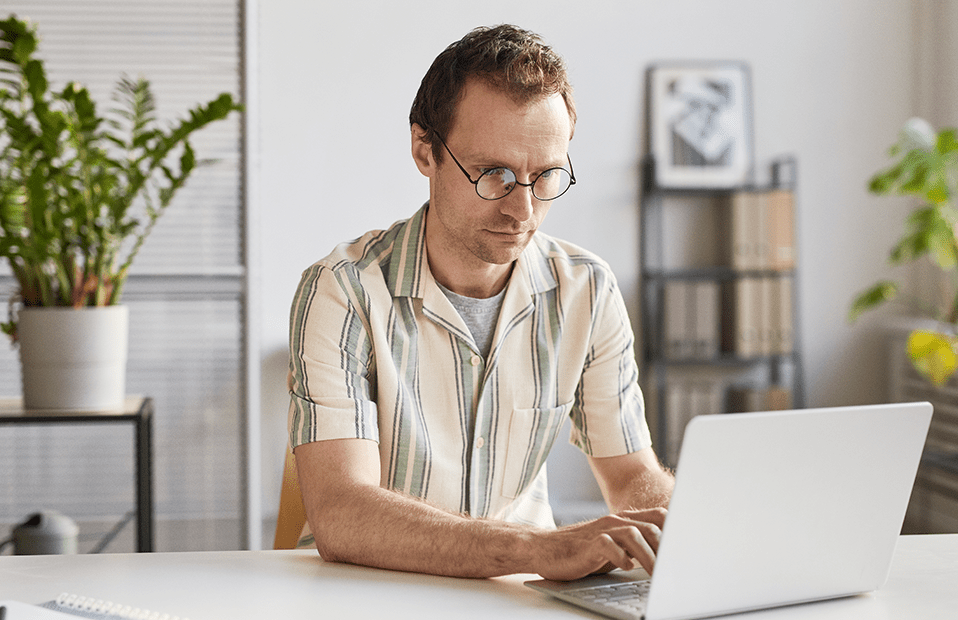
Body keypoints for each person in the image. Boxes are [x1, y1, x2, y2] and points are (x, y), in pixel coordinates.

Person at [287, 24, 674, 581]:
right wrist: (535, 550)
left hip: (520, 594)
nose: (522, 211)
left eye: (545, 176)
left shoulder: (587, 290)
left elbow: (631, 472)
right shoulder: (342, 290)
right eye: (493, 175)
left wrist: (671, 524)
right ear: (425, 150)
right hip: (369, 592)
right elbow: (342, 512)